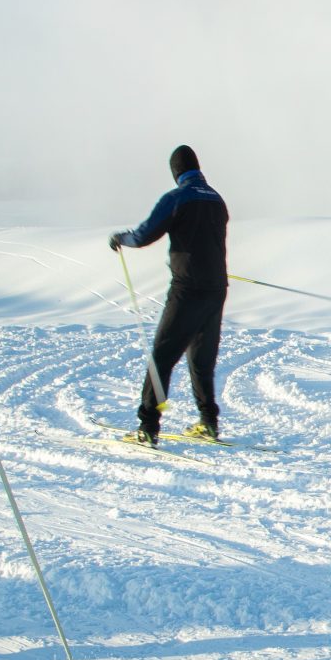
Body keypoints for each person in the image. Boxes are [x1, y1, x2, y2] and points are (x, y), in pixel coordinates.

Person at [107, 145, 230, 445]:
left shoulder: (177, 198)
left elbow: (144, 234)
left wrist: (120, 238)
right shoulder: (217, 199)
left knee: (162, 357)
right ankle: (208, 422)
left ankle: (148, 427)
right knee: (202, 360)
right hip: (217, 288)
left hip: (188, 289)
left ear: (176, 172)